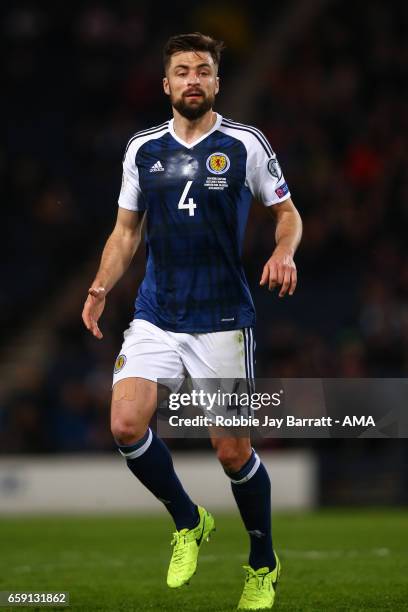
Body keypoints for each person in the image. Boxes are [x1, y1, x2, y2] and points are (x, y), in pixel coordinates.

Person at [82, 32, 302, 610]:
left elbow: (287, 213)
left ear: (216, 83)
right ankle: (189, 519)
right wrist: (102, 285)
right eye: (182, 71)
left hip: (223, 317)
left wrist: (284, 251)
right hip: (157, 312)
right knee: (126, 426)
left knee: (232, 452)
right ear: (166, 84)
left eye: (203, 70)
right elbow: (127, 231)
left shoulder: (244, 144)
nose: (193, 80)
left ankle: (262, 562)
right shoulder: (142, 150)